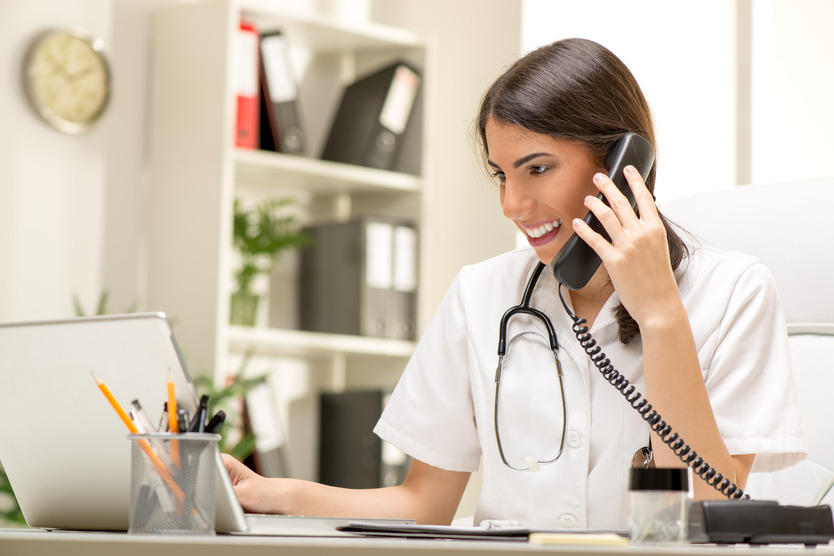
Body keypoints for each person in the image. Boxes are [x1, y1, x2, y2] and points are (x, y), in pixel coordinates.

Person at [224, 38, 807, 530]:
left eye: (537, 168)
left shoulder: (734, 293)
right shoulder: (482, 293)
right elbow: (423, 505)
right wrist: (265, 494)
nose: (512, 204)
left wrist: (657, 314)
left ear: (623, 163)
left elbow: (704, 513)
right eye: (501, 175)